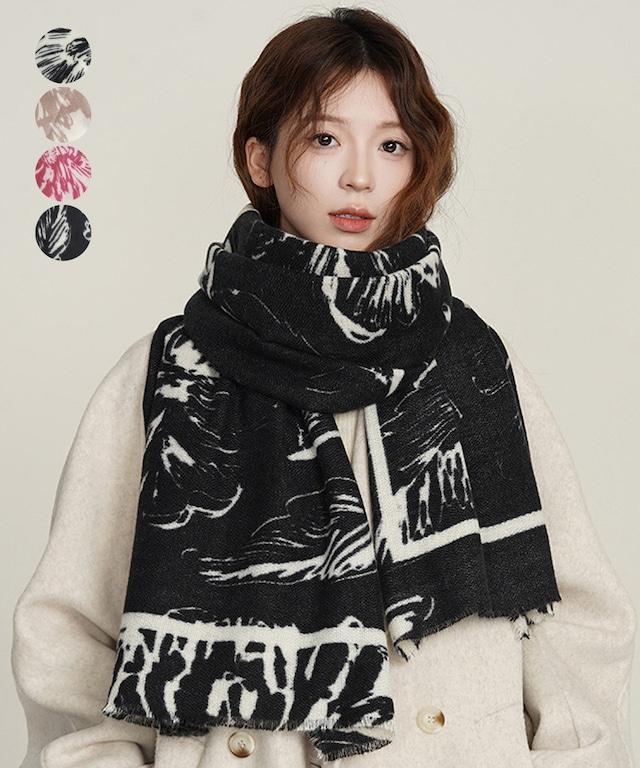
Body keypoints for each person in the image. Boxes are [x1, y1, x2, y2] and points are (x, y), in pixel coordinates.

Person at [13, 7, 635, 767]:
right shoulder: (170, 372)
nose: (360, 177)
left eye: (392, 145)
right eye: (324, 139)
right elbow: (69, 642)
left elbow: (574, 621)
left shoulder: (470, 364)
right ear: (260, 159)